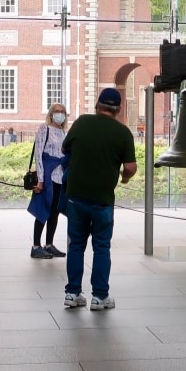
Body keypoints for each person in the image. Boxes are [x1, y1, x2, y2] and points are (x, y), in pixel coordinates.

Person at [61, 87, 137, 311]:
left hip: (75, 196)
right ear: (119, 109)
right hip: (103, 200)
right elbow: (131, 167)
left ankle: (72, 293)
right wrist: (123, 179)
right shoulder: (123, 133)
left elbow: (66, 148)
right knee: (101, 247)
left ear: (97, 105)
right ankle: (99, 297)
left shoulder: (82, 122)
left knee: (76, 245)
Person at [27, 102, 69, 259]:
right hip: (47, 174)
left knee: (55, 211)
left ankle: (49, 244)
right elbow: (38, 153)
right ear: (51, 114)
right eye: (57, 111)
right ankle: (36, 246)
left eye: (62, 112)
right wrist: (40, 179)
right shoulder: (44, 129)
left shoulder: (63, 132)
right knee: (43, 208)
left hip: (60, 175)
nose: (60, 114)